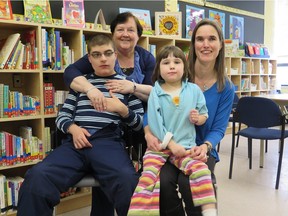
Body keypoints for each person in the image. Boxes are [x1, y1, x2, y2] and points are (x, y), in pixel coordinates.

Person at [17, 34, 144, 216]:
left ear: (115, 55)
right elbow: (62, 117)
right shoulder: (80, 85)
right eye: (97, 54)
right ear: (89, 58)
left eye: (108, 53)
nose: (103, 58)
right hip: (75, 144)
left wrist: (123, 110)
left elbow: (140, 125)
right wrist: (73, 128)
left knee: (128, 181)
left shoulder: (127, 86)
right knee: (37, 176)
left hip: (108, 143)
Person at [63, 12, 155, 215]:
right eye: (120, 30)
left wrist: (130, 89)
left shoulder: (146, 58)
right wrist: (90, 89)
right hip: (96, 126)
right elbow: (69, 73)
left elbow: (156, 93)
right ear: (112, 34)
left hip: (134, 120)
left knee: (122, 174)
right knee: (106, 168)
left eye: (131, 30)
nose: (125, 34)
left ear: (138, 35)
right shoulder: (98, 54)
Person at [144, 19, 235, 215]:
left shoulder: (225, 87)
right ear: (193, 45)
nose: (205, 44)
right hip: (170, 145)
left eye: (212, 39)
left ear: (220, 45)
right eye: (200, 39)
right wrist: (148, 133)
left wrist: (206, 146)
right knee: (163, 184)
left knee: (190, 184)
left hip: (201, 148)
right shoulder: (176, 72)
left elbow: (219, 128)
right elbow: (152, 110)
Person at [128, 46, 217, 216]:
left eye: (177, 62)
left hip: (185, 148)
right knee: (148, 180)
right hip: (159, 149)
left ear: (184, 67)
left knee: (201, 171)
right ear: (158, 69)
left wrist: (198, 119)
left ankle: (209, 212)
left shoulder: (194, 90)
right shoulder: (155, 92)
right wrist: (171, 144)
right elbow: (154, 123)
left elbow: (204, 114)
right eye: (166, 62)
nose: (171, 66)